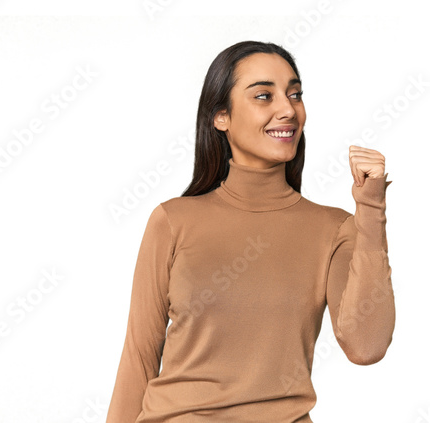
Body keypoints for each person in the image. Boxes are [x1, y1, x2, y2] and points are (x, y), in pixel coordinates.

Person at [106, 40, 395, 423]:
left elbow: (366, 347)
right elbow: (139, 358)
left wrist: (371, 209)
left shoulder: (334, 228)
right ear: (220, 116)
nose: (287, 109)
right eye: (264, 95)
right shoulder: (173, 221)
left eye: (295, 94)